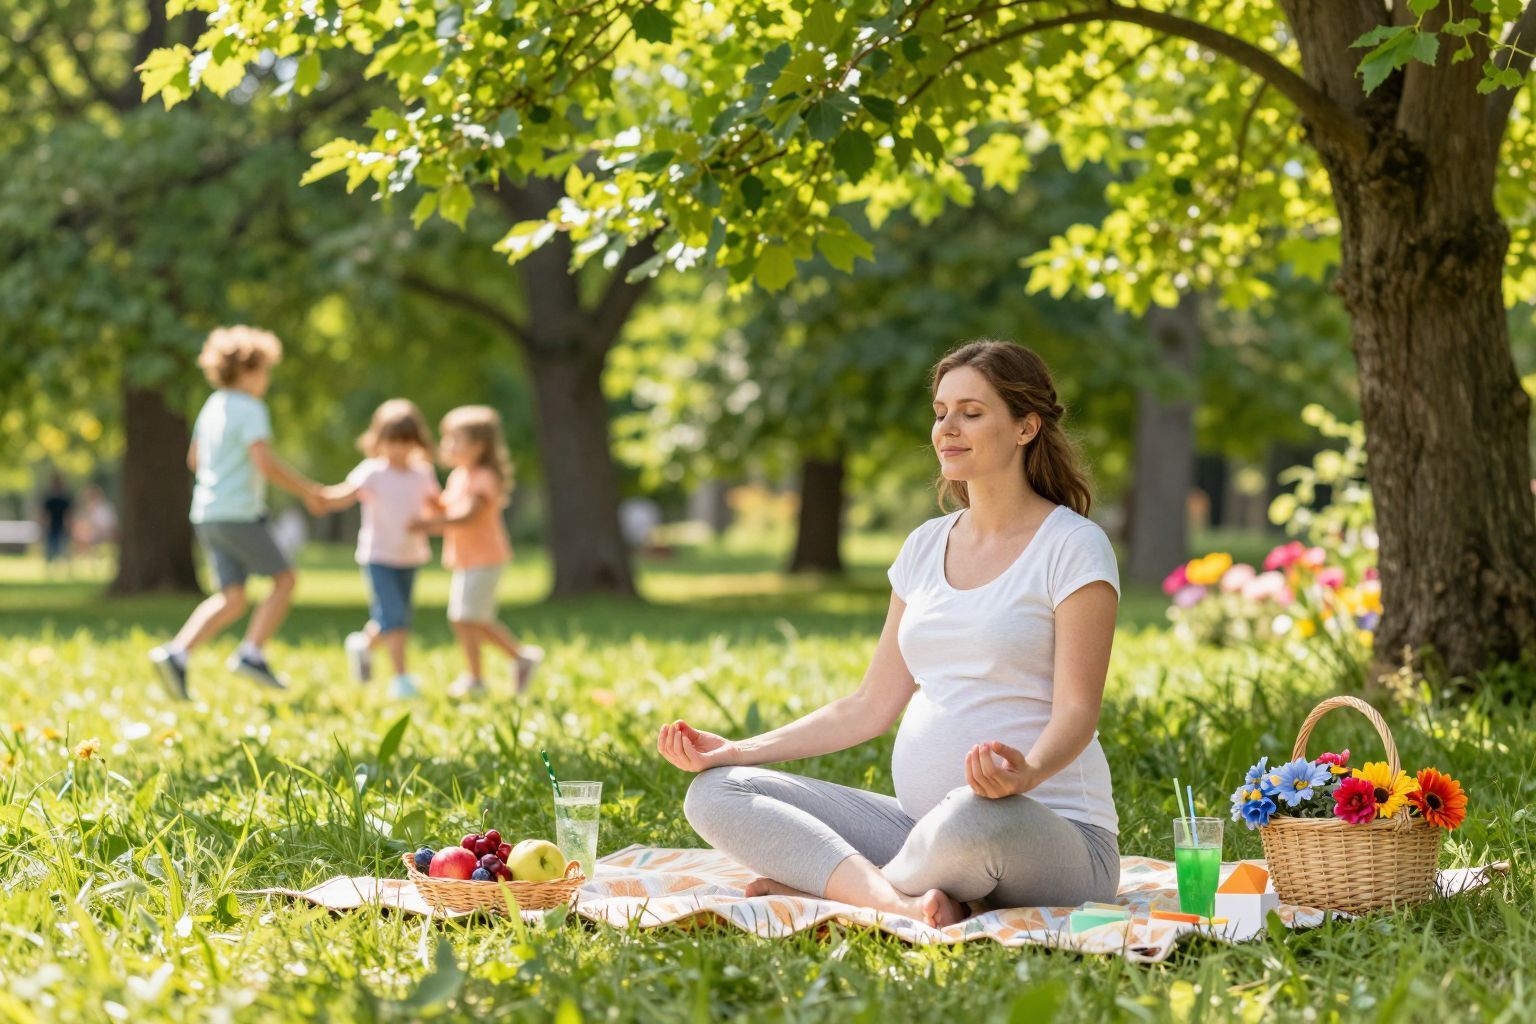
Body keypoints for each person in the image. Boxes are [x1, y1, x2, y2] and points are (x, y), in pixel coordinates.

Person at [659, 340, 1122, 927]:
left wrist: (1025, 774)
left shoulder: (1073, 546)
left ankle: (828, 887)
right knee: (718, 792)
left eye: (971, 413)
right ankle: (895, 900)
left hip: (1046, 832)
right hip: (920, 828)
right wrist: (737, 750)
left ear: (1026, 426)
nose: (947, 428)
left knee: (969, 816)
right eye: (940, 411)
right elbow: (870, 705)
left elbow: (1078, 712)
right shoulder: (924, 547)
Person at [149, 326, 325, 699]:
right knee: (285, 579)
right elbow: (265, 464)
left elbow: (194, 459)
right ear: (246, 371)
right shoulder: (251, 409)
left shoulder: (212, 406)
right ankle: (252, 653)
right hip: (238, 513)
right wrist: (309, 490)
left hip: (207, 513)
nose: (266, 380)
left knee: (232, 597)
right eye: (264, 371)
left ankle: (177, 654)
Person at [412, 405, 542, 697]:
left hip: (486, 558)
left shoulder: (484, 477)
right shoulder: (460, 475)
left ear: (478, 446)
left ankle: (478, 677)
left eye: (454, 439)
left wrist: (428, 523)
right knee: (471, 618)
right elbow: (447, 507)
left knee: (465, 617)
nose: (447, 446)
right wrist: (426, 495)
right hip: (468, 559)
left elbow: (468, 515)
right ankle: (519, 658)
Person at [317, 399, 441, 699]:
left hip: (410, 555)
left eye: (405, 442)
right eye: (392, 442)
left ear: (416, 442)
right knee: (395, 617)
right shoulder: (372, 471)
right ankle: (401, 680)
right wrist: (319, 497)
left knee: (393, 617)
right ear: (379, 441)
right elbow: (344, 494)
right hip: (379, 556)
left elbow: (437, 506)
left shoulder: (422, 473)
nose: (398, 449)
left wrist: (431, 523)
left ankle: (363, 645)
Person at [39, 471, 73, 573]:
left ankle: (68, 569)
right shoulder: (49, 498)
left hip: (62, 526)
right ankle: (49, 569)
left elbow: (69, 513)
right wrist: (44, 526)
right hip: (52, 526)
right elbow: (44, 514)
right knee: (50, 548)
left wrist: (69, 526)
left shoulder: (65, 498)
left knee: (64, 548)